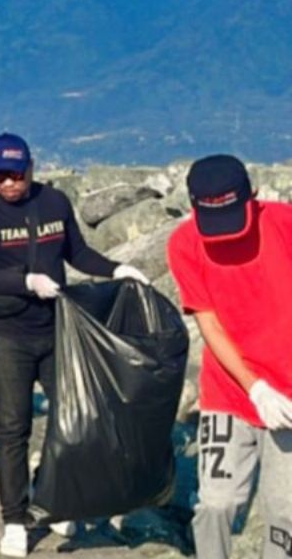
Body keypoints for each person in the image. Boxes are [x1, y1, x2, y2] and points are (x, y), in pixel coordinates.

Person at [0, 133, 149, 557]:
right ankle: (14, 517)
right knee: (13, 426)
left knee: (72, 416)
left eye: (15, 174)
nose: (8, 183)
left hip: (55, 327)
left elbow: (77, 253)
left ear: (31, 167)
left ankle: (56, 500)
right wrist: (26, 282)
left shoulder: (54, 203)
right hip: (6, 334)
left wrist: (118, 269)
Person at [166, 155, 292, 559]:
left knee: (285, 513)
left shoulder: (285, 224)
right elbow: (209, 324)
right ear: (193, 207)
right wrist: (255, 388)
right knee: (216, 505)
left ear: (253, 198)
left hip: (290, 397)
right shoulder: (184, 244)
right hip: (230, 394)